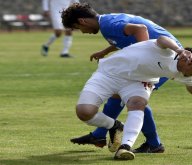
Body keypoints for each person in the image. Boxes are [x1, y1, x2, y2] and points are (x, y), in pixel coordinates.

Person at [74, 35, 192, 160]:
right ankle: (114, 126)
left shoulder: (184, 73)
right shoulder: (170, 51)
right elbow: (161, 39)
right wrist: (179, 50)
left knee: (138, 103)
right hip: (108, 74)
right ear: (190, 63)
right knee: (84, 112)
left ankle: (125, 146)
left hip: (139, 82)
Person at [62, 2, 182, 153]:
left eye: (79, 29)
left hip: (166, 60)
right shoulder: (107, 22)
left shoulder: (109, 25)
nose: (83, 32)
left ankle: (153, 144)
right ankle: (100, 135)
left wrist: (144, 57)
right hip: (164, 58)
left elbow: (140, 29)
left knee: (135, 99)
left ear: (82, 21)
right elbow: (125, 38)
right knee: (121, 96)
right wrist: (105, 51)